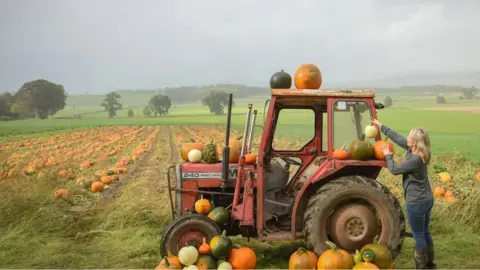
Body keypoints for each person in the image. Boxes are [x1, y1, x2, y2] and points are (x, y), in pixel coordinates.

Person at [371, 119, 436, 269]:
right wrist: (381, 127)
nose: (406, 138)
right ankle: (431, 265)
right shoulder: (418, 153)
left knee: (419, 236)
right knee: (425, 233)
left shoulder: (414, 160)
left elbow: (394, 169)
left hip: (417, 202)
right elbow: (398, 138)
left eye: (409, 137)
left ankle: (422, 267)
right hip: (426, 199)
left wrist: (387, 155)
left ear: (414, 143)